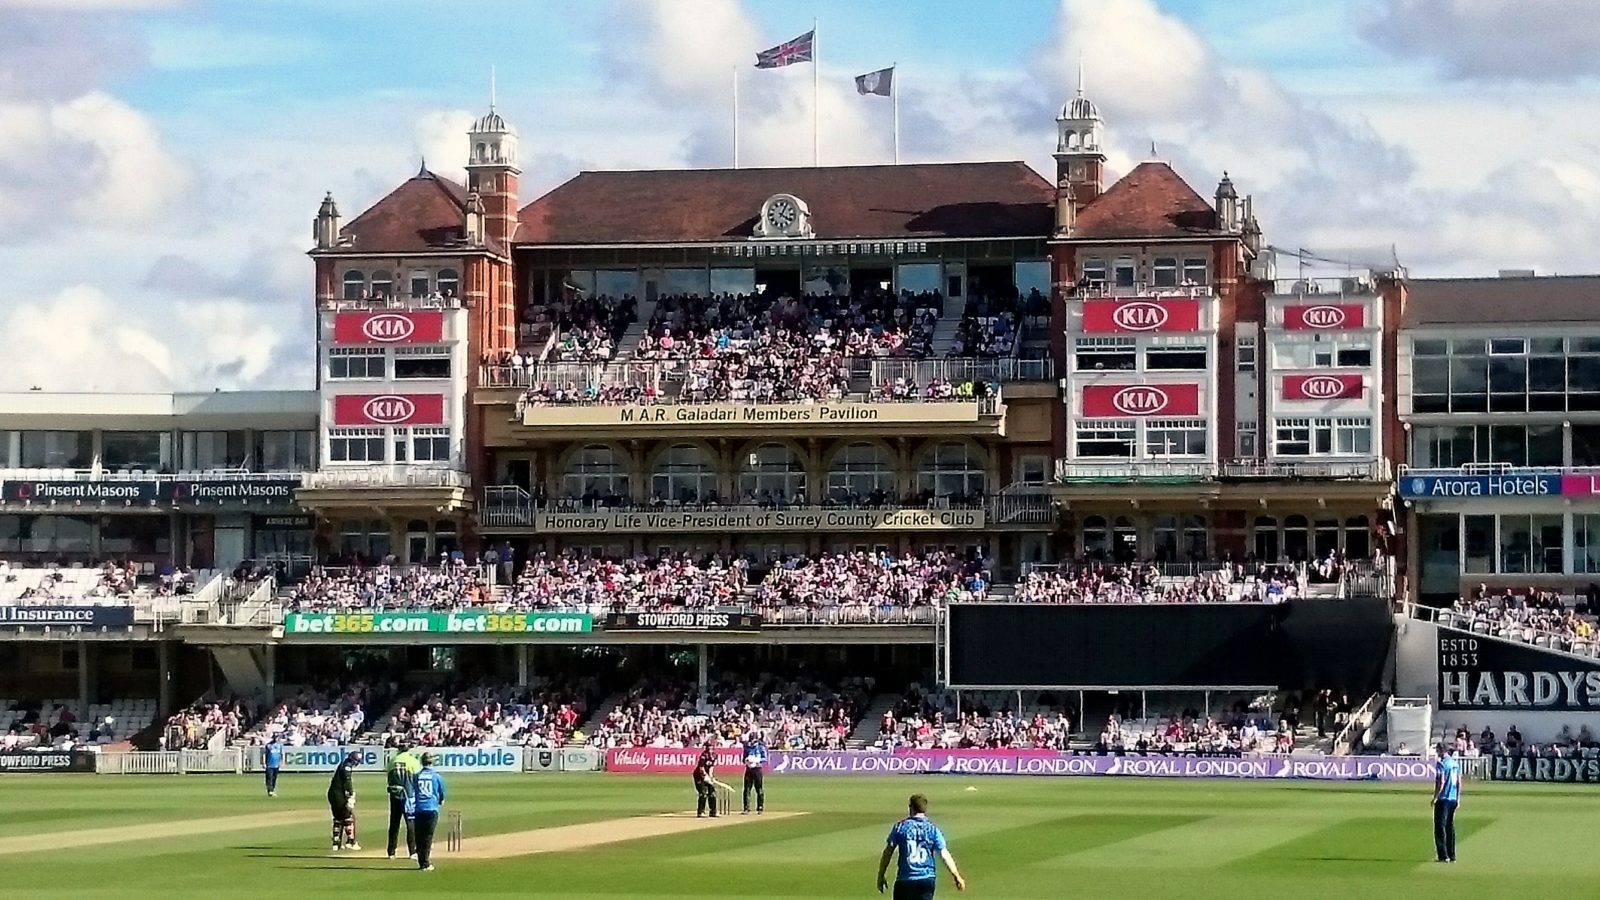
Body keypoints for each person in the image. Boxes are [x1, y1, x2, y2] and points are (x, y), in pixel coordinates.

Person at [877, 794, 966, 899]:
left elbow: (888, 852)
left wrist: (881, 875)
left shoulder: (900, 827)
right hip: (926, 879)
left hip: (906, 879)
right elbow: (944, 853)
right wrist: (956, 875)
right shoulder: (932, 829)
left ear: (911, 808)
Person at [386, 744, 423, 859]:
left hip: (395, 796)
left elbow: (389, 777)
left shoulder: (392, 761)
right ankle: (412, 852)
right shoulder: (413, 761)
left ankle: (391, 852)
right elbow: (417, 779)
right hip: (409, 797)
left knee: (394, 824)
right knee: (411, 824)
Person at [411, 752, 447, 872]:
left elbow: (414, 790)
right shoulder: (437, 776)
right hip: (431, 808)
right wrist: (440, 800)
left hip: (419, 808)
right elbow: (442, 794)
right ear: (431, 762)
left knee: (419, 835)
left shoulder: (416, 776)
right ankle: (425, 863)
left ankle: (421, 860)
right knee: (427, 836)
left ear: (421, 762)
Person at [1432, 743, 1461, 863]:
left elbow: (1441, 781)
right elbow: (1459, 781)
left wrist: (1435, 797)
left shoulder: (1441, 763)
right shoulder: (1454, 763)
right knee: (1450, 827)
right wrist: (1458, 798)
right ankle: (1452, 854)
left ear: (1440, 750)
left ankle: (1443, 855)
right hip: (1453, 798)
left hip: (1443, 798)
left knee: (1440, 827)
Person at [327, 750, 361, 851]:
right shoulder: (347, 766)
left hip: (333, 793)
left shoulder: (343, 763)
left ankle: (336, 844)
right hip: (338, 795)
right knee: (348, 818)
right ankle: (350, 842)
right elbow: (347, 781)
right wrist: (350, 794)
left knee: (338, 818)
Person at [741, 732, 767, 815]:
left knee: (759, 789)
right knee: (746, 789)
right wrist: (747, 760)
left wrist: (757, 760)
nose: (752, 742)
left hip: (757, 769)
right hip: (749, 769)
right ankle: (746, 808)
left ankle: (760, 807)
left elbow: (765, 758)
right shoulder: (747, 748)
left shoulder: (760, 748)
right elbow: (743, 759)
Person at [692, 741, 719, 818]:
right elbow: (701, 768)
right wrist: (705, 776)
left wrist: (710, 777)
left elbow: (711, 767)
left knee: (712, 793)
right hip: (698, 776)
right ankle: (700, 812)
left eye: (711, 747)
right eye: (708, 747)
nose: (710, 748)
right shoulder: (703, 756)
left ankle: (713, 811)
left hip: (707, 775)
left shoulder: (714, 755)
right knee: (703, 793)